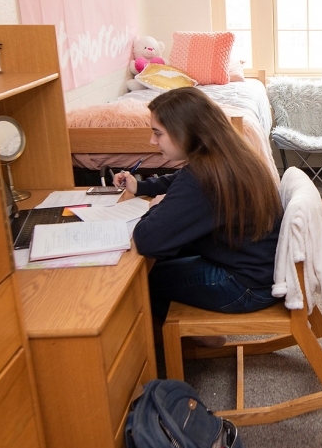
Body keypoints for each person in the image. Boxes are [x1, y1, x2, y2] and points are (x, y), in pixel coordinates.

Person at [113, 87, 283, 342]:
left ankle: (199, 334)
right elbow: (180, 180)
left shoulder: (203, 179)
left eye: (158, 133)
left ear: (185, 133)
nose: (152, 141)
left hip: (246, 286)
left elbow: (148, 239)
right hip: (258, 269)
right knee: (167, 257)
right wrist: (144, 187)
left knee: (140, 280)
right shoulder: (226, 156)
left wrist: (155, 206)